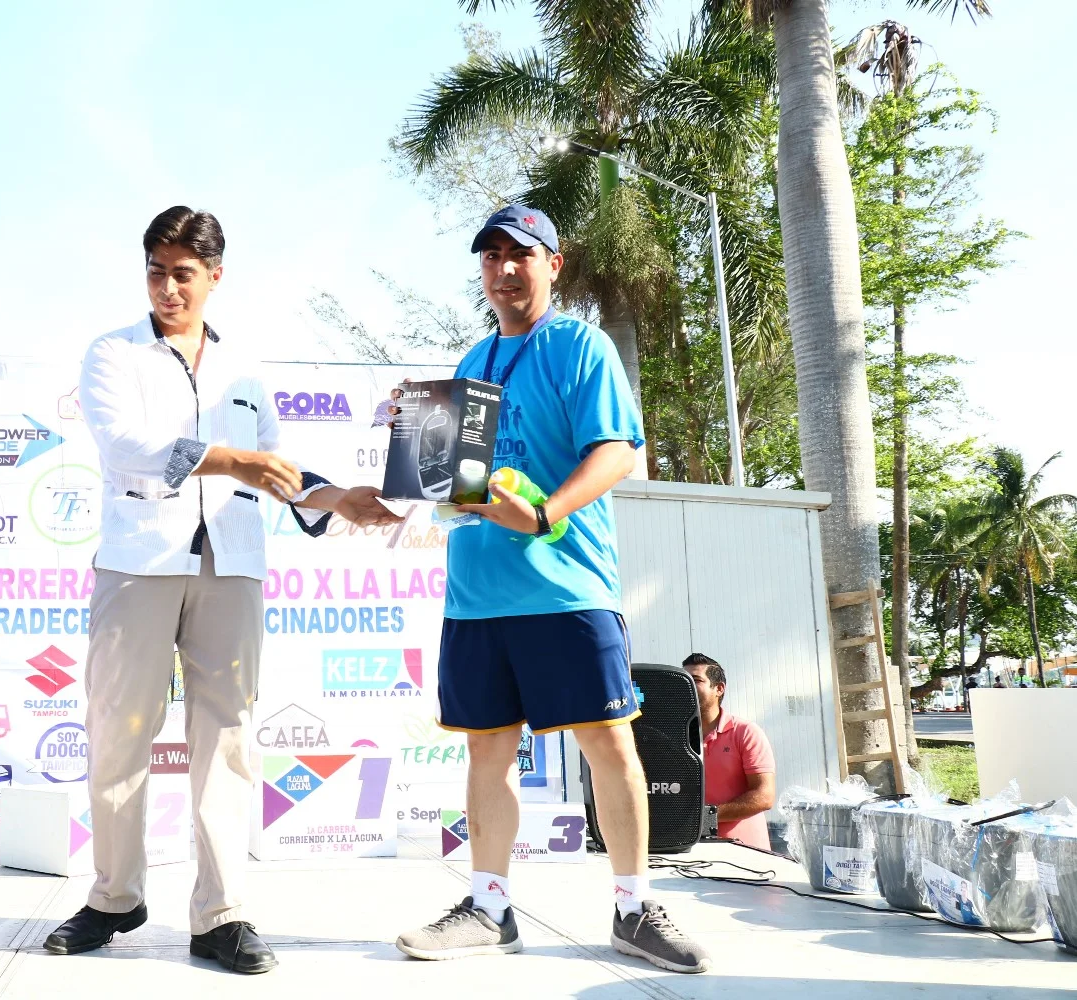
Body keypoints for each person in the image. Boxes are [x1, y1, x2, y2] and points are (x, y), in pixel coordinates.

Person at [43, 206, 401, 975]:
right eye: (155, 271)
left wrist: (338, 498)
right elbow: (126, 446)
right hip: (139, 561)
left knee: (228, 739)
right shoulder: (113, 352)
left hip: (231, 566)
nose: (167, 288)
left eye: (183, 274)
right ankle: (114, 896)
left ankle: (220, 914)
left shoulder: (244, 368)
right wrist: (230, 460)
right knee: (118, 731)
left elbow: (276, 467)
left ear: (215, 277)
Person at [394, 205, 710, 974]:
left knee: (609, 741)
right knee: (488, 751)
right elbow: (453, 488)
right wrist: (412, 446)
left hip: (568, 588)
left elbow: (617, 452)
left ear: (553, 264)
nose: (505, 268)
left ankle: (634, 908)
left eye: (522, 254)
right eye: (491, 255)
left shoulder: (579, 345)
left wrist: (543, 513)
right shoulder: (471, 363)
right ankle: (489, 907)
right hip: (477, 594)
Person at [683, 653, 776, 852]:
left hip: (744, 852)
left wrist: (705, 817)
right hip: (690, 851)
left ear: (719, 688)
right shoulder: (674, 736)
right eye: (684, 680)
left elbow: (764, 796)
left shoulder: (746, 732)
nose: (687, 686)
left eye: (696, 680)